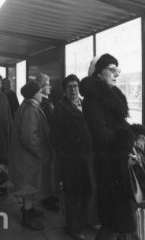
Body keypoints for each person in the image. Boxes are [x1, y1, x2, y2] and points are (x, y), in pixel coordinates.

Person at [79, 54, 145, 240]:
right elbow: (101, 133)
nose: (116, 73)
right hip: (109, 166)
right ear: (99, 74)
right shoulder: (92, 99)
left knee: (121, 218)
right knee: (115, 221)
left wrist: (138, 133)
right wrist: (128, 140)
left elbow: (120, 128)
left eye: (118, 70)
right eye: (111, 69)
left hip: (118, 164)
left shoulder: (112, 96)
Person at [52, 74, 95, 240]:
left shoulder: (84, 104)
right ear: (64, 90)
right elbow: (56, 138)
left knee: (86, 192)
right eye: (70, 87)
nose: (73, 89)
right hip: (71, 160)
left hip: (87, 157)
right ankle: (73, 228)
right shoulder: (60, 108)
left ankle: (84, 222)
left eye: (76, 86)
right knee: (74, 196)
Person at [9, 80, 56, 230]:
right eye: (39, 91)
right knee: (29, 186)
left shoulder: (29, 106)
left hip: (26, 156)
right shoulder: (31, 109)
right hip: (29, 157)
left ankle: (28, 209)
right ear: (33, 94)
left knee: (30, 185)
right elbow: (29, 137)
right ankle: (26, 217)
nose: (42, 93)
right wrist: (41, 152)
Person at [35, 73, 59, 212]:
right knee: (47, 170)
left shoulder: (46, 100)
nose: (49, 86)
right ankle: (47, 197)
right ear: (41, 87)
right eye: (47, 83)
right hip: (47, 141)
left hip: (50, 140)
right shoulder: (42, 102)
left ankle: (50, 194)